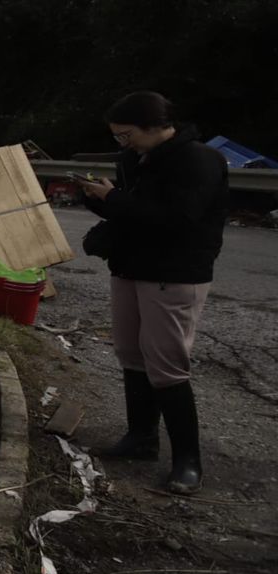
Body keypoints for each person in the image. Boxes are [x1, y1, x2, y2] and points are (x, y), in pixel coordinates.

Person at [80, 91, 228, 494]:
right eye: (117, 137)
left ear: (155, 126)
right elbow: (131, 214)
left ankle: (188, 462)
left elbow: (177, 219)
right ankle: (140, 438)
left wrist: (114, 198)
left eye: (126, 135)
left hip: (174, 273)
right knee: (131, 354)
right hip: (130, 268)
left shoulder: (198, 160)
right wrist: (97, 199)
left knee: (167, 365)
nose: (123, 144)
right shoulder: (136, 159)